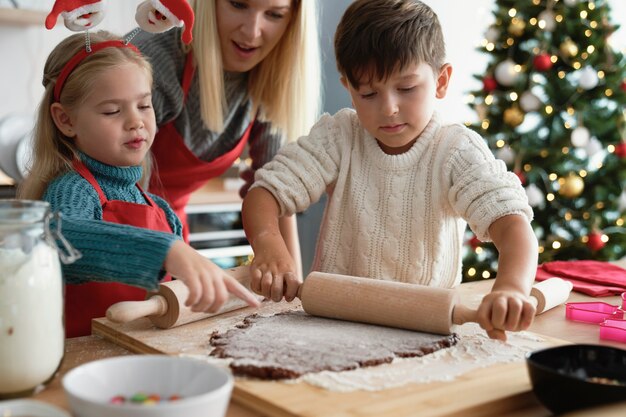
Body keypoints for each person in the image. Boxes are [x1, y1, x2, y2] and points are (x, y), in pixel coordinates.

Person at [241, 0, 539, 341]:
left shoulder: (455, 151)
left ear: (441, 81)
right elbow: (264, 193)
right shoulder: (340, 137)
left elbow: (513, 225)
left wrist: (511, 289)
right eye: (368, 93)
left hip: (426, 332)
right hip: (334, 326)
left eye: (406, 88)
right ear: (349, 90)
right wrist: (268, 246)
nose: (389, 108)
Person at [18, 31, 260, 338]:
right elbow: (63, 238)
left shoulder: (157, 207)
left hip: (139, 351)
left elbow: (171, 296)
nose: (136, 122)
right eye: (112, 111)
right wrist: (165, 251)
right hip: (80, 360)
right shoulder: (73, 189)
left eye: (144, 106)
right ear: (66, 120)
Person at [129, 0, 322, 278]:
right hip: (114, 232)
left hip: (169, 237)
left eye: (274, 14)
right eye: (238, 4)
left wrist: (295, 294)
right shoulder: (155, 60)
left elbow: (278, 196)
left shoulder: (269, 77)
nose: (252, 31)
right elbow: (117, 193)